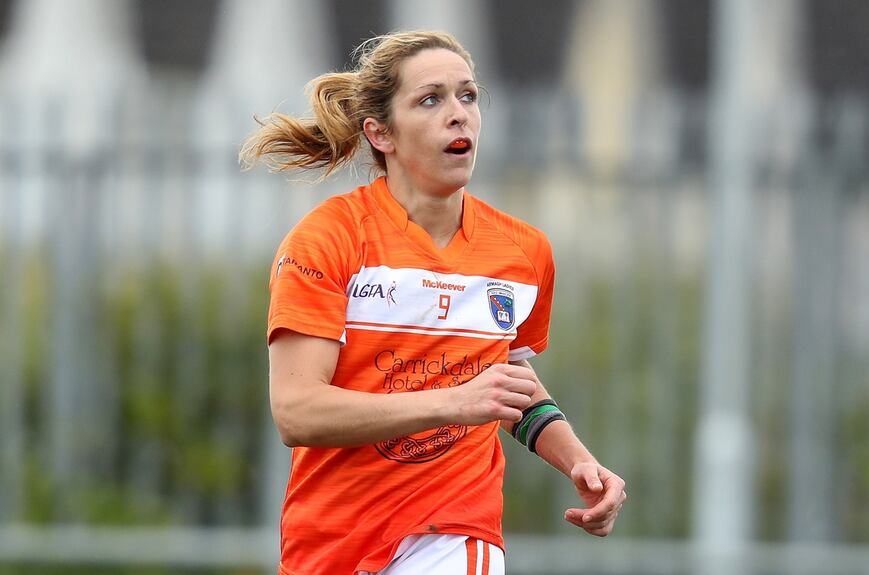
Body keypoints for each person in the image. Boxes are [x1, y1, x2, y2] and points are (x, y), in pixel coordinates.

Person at [240, 30, 626, 575]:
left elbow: (507, 384)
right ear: (381, 134)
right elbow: (297, 411)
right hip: (332, 543)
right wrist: (455, 402)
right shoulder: (329, 239)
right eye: (430, 99)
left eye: (468, 96)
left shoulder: (524, 252)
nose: (459, 114)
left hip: (453, 530)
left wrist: (581, 462)